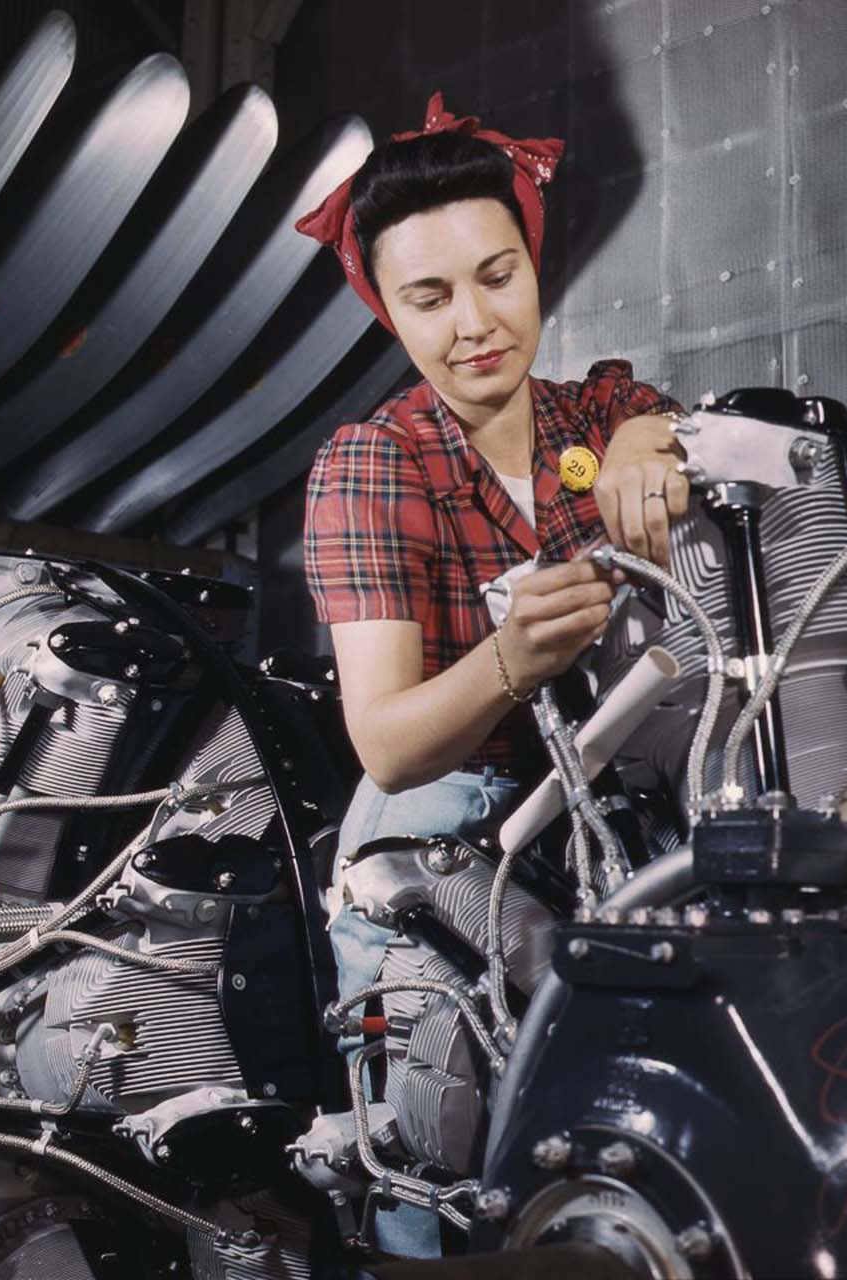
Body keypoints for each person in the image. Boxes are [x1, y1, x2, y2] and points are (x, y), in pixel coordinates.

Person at [294, 93, 688, 1253]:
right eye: (428, 297)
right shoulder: (374, 462)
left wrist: (645, 439)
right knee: (445, 1192)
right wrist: (510, 661)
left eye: (497, 275)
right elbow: (389, 740)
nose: (475, 322)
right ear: (385, 309)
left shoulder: (601, 407)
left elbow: (668, 431)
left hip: (607, 830)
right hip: (439, 851)